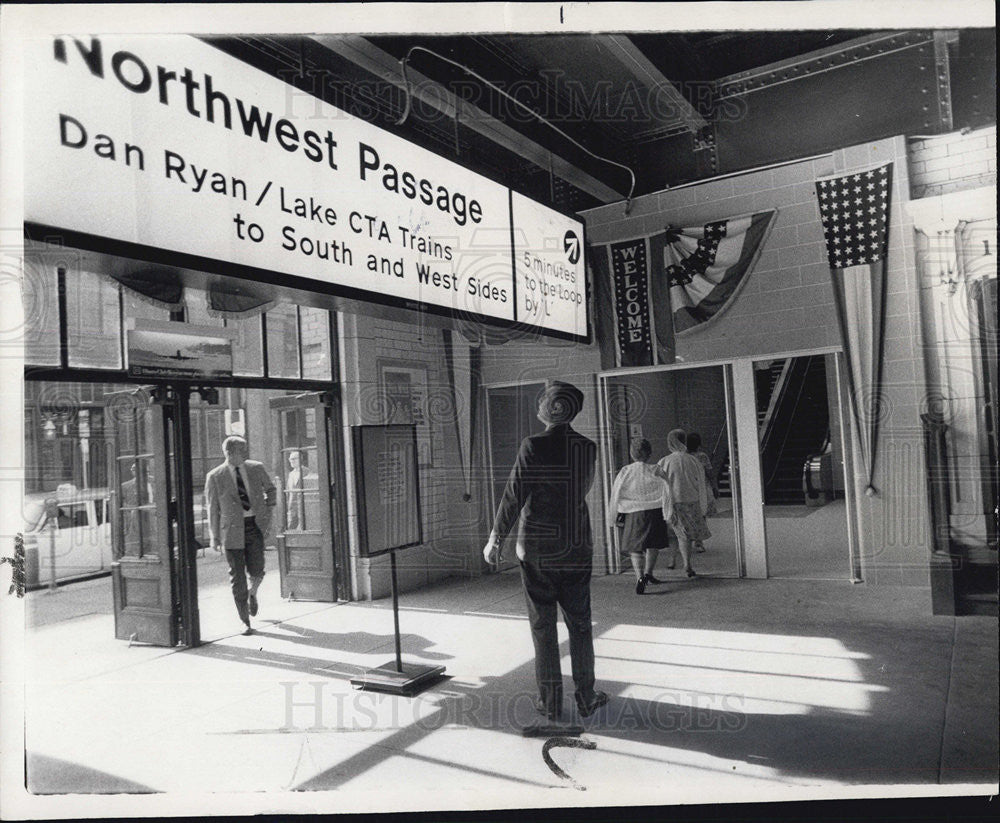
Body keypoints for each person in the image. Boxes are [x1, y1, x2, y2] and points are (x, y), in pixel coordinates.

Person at [483, 380, 608, 730]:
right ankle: (586, 696)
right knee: (580, 624)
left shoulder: (533, 445)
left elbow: (514, 495)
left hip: (538, 547)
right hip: (577, 545)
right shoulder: (588, 447)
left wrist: (496, 538)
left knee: (543, 626)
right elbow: (579, 490)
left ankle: (550, 703)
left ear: (549, 409)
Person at [205, 435, 276, 635]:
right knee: (237, 577)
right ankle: (245, 620)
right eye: (240, 452)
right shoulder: (215, 476)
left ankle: (253, 593)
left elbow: (271, 489)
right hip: (231, 532)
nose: (243, 456)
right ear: (229, 453)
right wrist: (214, 536)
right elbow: (212, 509)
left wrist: (268, 512)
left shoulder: (256, 468)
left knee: (258, 569)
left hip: (255, 526)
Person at [607, 438, 670, 594]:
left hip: (633, 513)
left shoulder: (625, 471)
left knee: (635, 548)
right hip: (655, 511)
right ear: (649, 453)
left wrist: (613, 515)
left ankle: (639, 577)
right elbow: (668, 490)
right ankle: (649, 573)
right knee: (653, 545)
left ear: (631, 453)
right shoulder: (656, 469)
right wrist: (669, 512)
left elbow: (615, 494)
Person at [655, 429, 711, 578]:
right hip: (692, 501)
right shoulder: (694, 460)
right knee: (685, 536)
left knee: (674, 534)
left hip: (673, 502)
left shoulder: (664, 462)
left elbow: (658, 485)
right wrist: (703, 505)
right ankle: (686, 563)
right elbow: (701, 483)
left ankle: (672, 559)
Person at [684, 432, 717, 553]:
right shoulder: (702, 456)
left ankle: (689, 539)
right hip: (702, 488)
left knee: (689, 514)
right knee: (701, 515)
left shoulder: (683, 456)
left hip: (688, 488)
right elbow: (710, 473)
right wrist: (715, 487)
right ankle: (699, 541)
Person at [285, 451, 319, 530]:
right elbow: (289, 491)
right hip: (292, 506)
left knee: (303, 527)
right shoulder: (291, 474)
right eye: (290, 459)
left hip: (305, 505)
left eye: (294, 459)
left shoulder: (307, 472)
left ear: (301, 459)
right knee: (291, 527)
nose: (291, 461)